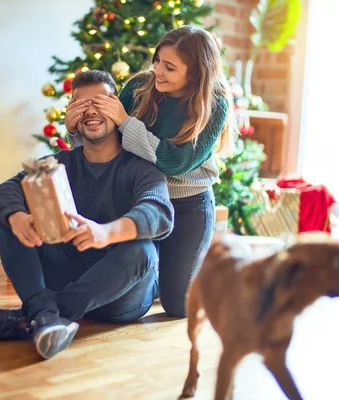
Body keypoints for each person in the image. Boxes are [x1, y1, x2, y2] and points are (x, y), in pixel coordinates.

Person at [0, 70, 174, 360]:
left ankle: (39, 315)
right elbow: (6, 190)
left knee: (143, 250)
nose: (90, 111)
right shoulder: (60, 162)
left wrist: (105, 232)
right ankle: (45, 317)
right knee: (9, 220)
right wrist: (18, 217)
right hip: (68, 270)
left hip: (121, 294)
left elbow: (159, 213)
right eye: (80, 105)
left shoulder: (141, 167)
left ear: (117, 109)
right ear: (70, 114)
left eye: (100, 102)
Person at [65, 26, 237, 318]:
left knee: (177, 306)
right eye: (157, 60)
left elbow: (175, 162)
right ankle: (164, 272)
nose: (157, 70)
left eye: (169, 67)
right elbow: (108, 140)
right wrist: (74, 130)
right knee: (134, 267)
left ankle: (206, 279)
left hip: (187, 203)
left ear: (195, 73)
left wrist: (124, 119)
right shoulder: (139, 87)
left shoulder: (214, 104)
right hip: (141, 196)